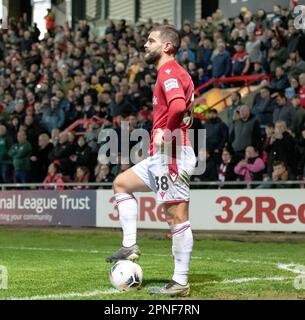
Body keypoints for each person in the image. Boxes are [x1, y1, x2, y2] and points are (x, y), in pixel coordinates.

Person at [105, 25, 196, 297]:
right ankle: (130, 245)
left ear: (167, 46)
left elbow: (178, 107)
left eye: (151, 40)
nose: (145, 44)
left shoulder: (169, 71)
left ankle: (180, 282)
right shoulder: (172, 73)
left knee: (176, 217)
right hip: (163, 155)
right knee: (121, 183)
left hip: (172, 154)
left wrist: (165, 134)